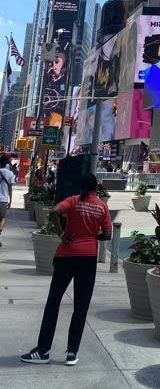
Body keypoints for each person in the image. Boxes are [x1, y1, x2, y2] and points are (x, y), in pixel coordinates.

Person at [21, 172, 112, 366]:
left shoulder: (73, 200)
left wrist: (62, 234)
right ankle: (72, 353)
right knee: (81, 305)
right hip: (88, 257)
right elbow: (108, 234)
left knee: (53, 302)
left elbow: (54, 211)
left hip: (66, 255)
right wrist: (93, 237)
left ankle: (43, 351)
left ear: (81, 186)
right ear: (96, 188)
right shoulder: (102, 207)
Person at [0, 154, 14, 247]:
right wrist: (10, 201)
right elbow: (10, 188)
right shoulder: (10, 174)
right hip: (3, 200)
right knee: (2, 218)